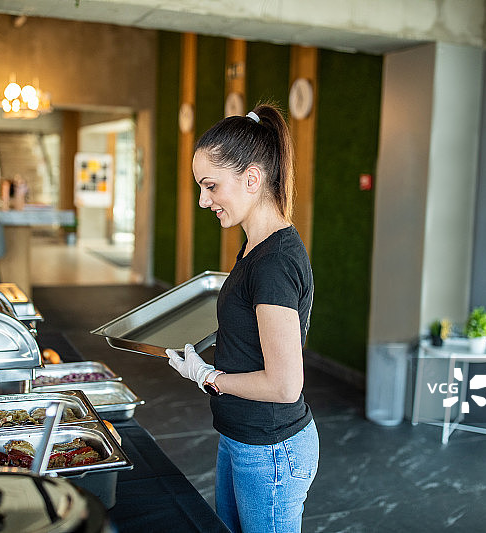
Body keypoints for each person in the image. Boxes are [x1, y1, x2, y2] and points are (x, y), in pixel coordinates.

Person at [166, 103, 318, 533]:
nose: (203, 200)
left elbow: (286, 385)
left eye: (211, 185)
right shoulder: (256, 248)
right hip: (241, 437)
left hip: (270, 448)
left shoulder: (274, 261)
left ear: (252, 178)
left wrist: (209, 377)